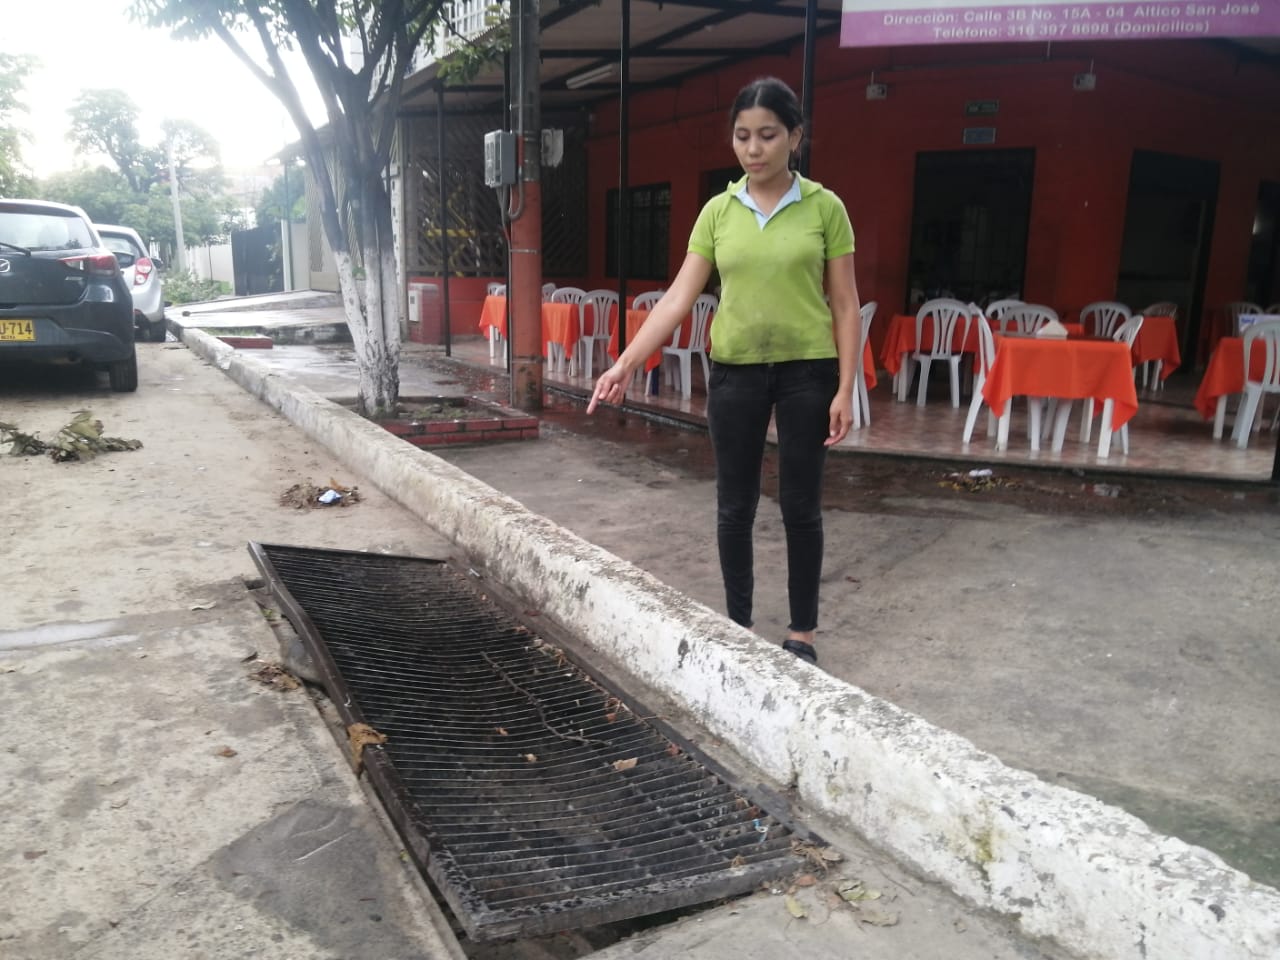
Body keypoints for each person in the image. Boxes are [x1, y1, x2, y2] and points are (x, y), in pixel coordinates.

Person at [587, 76, 861, 667]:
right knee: (734, 505)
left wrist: (845, 387)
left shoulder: (824, 208)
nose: (753, 149)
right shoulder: (719, 211)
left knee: (800, 505)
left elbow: (844, 302)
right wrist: (627, 362)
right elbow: (678, 298)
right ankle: (737, 624)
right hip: (734, 372)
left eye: (767, 135)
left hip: (807, 374)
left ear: (795, 137)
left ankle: (802, 633)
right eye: (742, 136)